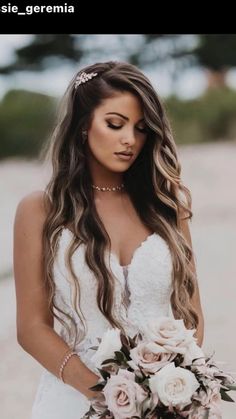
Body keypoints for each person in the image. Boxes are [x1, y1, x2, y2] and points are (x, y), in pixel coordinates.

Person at [13, 61, 204, 419]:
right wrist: (108, 398)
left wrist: (172, 385)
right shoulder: (40, 210)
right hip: (74, 398)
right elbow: (31, 328)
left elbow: (191, 318)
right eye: (115, 124)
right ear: (84, 125)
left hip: (164, 403)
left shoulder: (166, 206)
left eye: (141, 128)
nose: (130, 139)